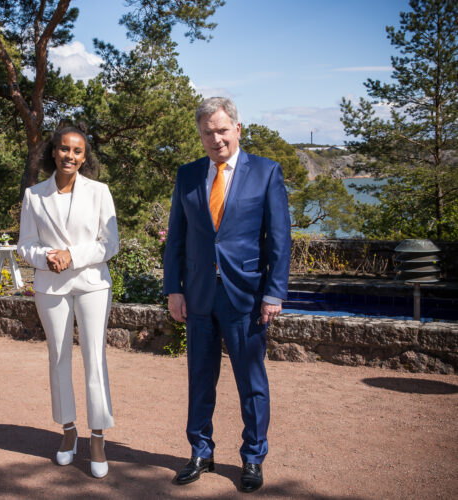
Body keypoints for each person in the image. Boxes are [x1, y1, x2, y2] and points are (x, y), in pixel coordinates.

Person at [163, 97, 291, 493]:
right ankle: (200, 451)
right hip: (198, 296)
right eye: (207, 132)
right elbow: (177, 240)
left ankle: (253, 457)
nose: (215, 138)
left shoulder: (266, 173)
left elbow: (280, 240)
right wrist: (173, 289)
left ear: (237, 128)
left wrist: (273, 293)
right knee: (200, 380)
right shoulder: (187, 176)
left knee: (251, 383)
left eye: (221, 129)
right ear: (200, 136)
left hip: (247, 297)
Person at [17, 126, 119, 478]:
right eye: (64, 149)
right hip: (51, 286)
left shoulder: (100, 192)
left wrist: (71, 256)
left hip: (92, 284)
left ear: (84, 156)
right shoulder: (35, 195)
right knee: (58, 357)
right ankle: (68, 431)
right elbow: (25, 244)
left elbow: (110, 244)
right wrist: (48, 257)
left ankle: (98, 436)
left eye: (77, 151)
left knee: (95, 358)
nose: (70, 156)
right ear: (54, 152)